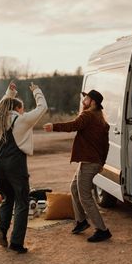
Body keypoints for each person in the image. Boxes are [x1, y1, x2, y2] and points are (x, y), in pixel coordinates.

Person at [43, 89, 112, 243]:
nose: (83, 100)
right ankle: (81, 221)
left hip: (89, 162)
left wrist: (54, 126)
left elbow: (73, 125)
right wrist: (102, 162)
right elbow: (105, 145)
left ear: (92, 102)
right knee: (74, 188)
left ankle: (102, 230)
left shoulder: (88, 115)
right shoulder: (100, 118)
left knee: (85, 197)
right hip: (91, 161)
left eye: (86, 98)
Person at [0, 81, 47, 253]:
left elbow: (0, 105)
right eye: (22, 108)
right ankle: (16, 243)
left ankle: (2, 229)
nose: (24, 111)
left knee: (7, 198)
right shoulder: (21, 120)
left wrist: (9, 93)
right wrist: (37, 90)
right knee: (22, 203)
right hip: (15, 164)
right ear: (18, 109)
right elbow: (42, 107)